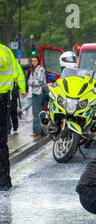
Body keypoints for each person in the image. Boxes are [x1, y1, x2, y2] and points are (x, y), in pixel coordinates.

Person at [0, 42, 26, 192]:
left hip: (2, 98)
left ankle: (4, 180)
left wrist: (22, 88)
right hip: (4, 99)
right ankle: (4, 179)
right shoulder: (7, 51)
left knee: (1, 143)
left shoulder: (3, 51)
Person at [28, 55, 47, 137]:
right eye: (33, 61)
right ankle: (41, 131)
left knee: (38, 112)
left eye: (35, 61)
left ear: (38, 61)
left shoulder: (41, 69)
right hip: (35, 92)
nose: (34, 62)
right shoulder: (33, 70)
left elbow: (39, 81)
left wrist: (32, 82)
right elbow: (29, 81)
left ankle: (37, 131)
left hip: (40, 93)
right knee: (37, 112)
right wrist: (32, 82)